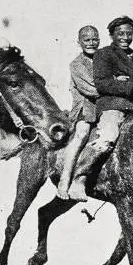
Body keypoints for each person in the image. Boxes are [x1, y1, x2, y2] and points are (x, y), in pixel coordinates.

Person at [67, 16, 133, 201]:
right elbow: (102, 85)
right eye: (120, 33)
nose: (125, 37)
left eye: (129, 34)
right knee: (107, 136)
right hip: (113, 106)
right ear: (111, 35)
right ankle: (79, 178)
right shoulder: (103, 54)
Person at [56, 25, 100, 199]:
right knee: (82, 133)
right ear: (79, 42)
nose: (91, 43)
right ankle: (65, 179)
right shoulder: (76, 64)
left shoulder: (103, 59)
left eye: (94, 39)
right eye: (86, 40)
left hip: (104, 106)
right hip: (85, 107)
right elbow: (91, 89)